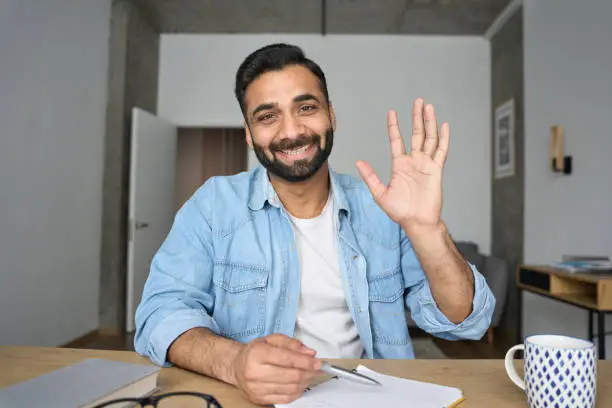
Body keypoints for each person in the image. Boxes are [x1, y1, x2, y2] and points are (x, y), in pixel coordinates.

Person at [134, 43, 495, 405]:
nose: (292, 131)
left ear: (331, 116)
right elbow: (160, 313)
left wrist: (427, 228)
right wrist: (234, 362)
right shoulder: (214, 205)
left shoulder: (383, 209)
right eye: (267, 116)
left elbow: (463, 321)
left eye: (306, 108)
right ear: (248, 133)